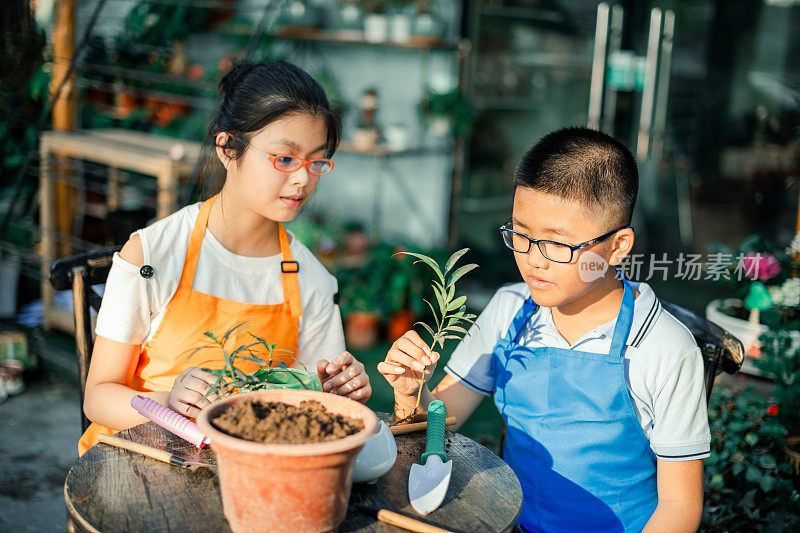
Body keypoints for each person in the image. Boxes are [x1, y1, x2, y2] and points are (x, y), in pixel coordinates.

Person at [379, 127, 709, 532]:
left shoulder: (665, 347)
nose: (534, 260)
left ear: (618, 245)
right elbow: (440, 424)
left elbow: (680, 505)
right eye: (520, 234)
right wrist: (411, 391)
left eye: (557, 244)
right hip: (508, 523)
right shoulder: (509, 309)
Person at [80, 61, 371, 455]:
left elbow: (316, 407)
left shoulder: (312, 280)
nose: (303, 179)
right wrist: (169, 403)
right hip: (139, 461)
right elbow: (98, 396)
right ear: (227, 147)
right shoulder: (155, 253)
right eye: (284, 158)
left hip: (243, 469)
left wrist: (340, 388)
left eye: (316, 161)